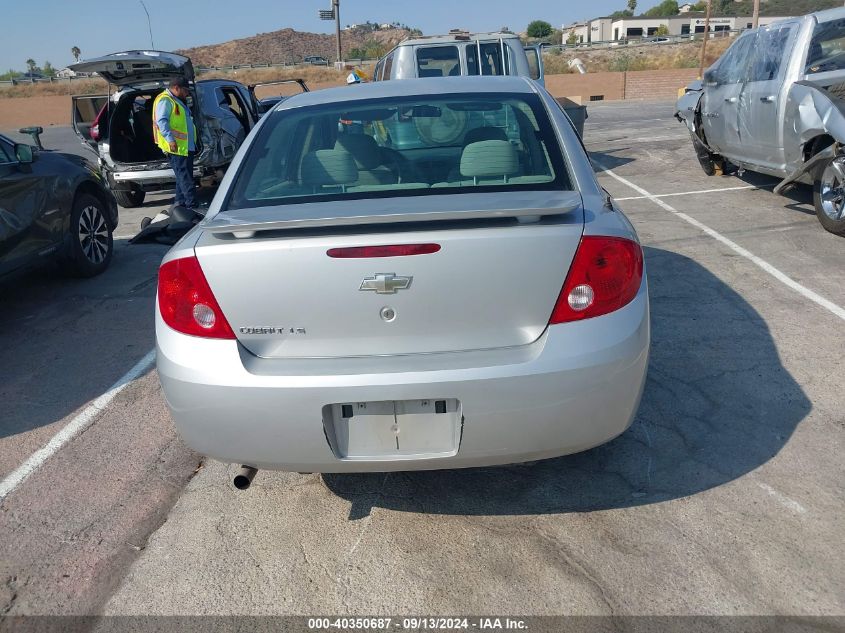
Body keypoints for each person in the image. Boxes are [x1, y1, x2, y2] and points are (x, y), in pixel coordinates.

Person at [153, 77, 198, 210]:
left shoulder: (176, 100)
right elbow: (162, 122)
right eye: (185, 91)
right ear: (177, 88)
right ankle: (192, 206)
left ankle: (180, 205)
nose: (187, 94)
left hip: (184, 147)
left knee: (181, 178)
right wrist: (170, 140)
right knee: (186, 179)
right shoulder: (165, 100)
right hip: (176, 147)